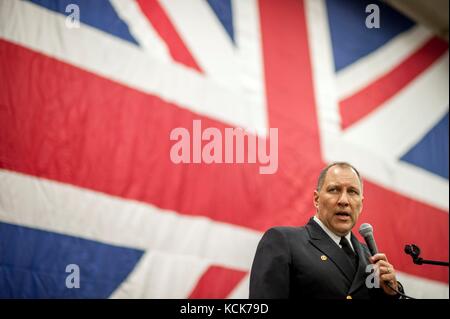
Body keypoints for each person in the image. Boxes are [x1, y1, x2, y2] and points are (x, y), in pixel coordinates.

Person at [249, 162, 404, 299]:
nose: (344, 201)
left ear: (361, 204)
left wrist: (391, 293)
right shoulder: (283, 241)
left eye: (352, 192)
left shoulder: (371, 258)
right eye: (334, 190)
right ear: (317, 199)